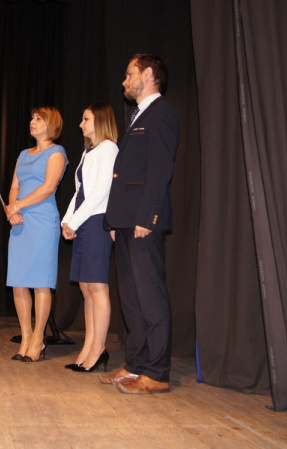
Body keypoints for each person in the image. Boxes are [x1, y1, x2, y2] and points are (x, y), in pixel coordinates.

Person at [100, 54, 180, 394]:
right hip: (126, 221)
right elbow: (127, 175)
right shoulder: (138, 116)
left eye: (129, 74)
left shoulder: (162, 113)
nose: (124, 81)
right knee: (131, 300)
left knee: (151, 297)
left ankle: (158, 372)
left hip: (144, 222)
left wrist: (148, 218)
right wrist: (114, 220)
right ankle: (135, 365)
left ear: (148, 74)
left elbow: (160, 170)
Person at [6, 106, 68, 363]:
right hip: (20, 222)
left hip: (42, 221)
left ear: (51, 124)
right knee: (19, 282)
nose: (32, 121)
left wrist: (17, 206)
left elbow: (48, 187)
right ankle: (26, 337)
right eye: (32, 117)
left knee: (41, 282)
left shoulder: (57, 152)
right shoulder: (23, 154)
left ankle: (39, 339)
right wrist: (11, 209)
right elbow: (14, 186)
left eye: (39, 119)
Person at [61, 103, 119, 372]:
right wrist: (67, 220)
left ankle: (99, 349)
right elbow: (80, 191)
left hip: (97, 221)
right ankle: (89, 345)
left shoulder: (108, 148)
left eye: (86, 119)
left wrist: (75, 221)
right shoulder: (88, 152)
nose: (81, 124)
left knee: (97, 287)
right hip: (84, 221)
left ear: (100, 121)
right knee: (85, 287)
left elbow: (100, 192)